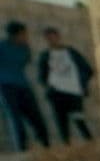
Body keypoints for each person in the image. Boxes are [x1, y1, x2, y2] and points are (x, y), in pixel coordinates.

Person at [36, 28, 92, 144]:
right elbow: (42, 76)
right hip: (57, 94)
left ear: (58, 37)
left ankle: (91, 144)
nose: (52, 40)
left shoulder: (71, 52)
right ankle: (67, 147)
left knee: (79, 120)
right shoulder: (45, 56)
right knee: (62, 123)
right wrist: (50, 85)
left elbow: (87, 69)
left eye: (53, 37)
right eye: (49, 38)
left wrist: (81, 84)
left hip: (74, 93)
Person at [0, 21, 49, 152]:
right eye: (24, 34)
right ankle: (21, 150)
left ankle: (46, 147)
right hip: (5, 87)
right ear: (15, 35)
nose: (26, 36)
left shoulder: (25, 48)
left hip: (23, 86)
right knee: (15, 119)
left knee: (37, 118)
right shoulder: (1, 46)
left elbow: (25, 61)